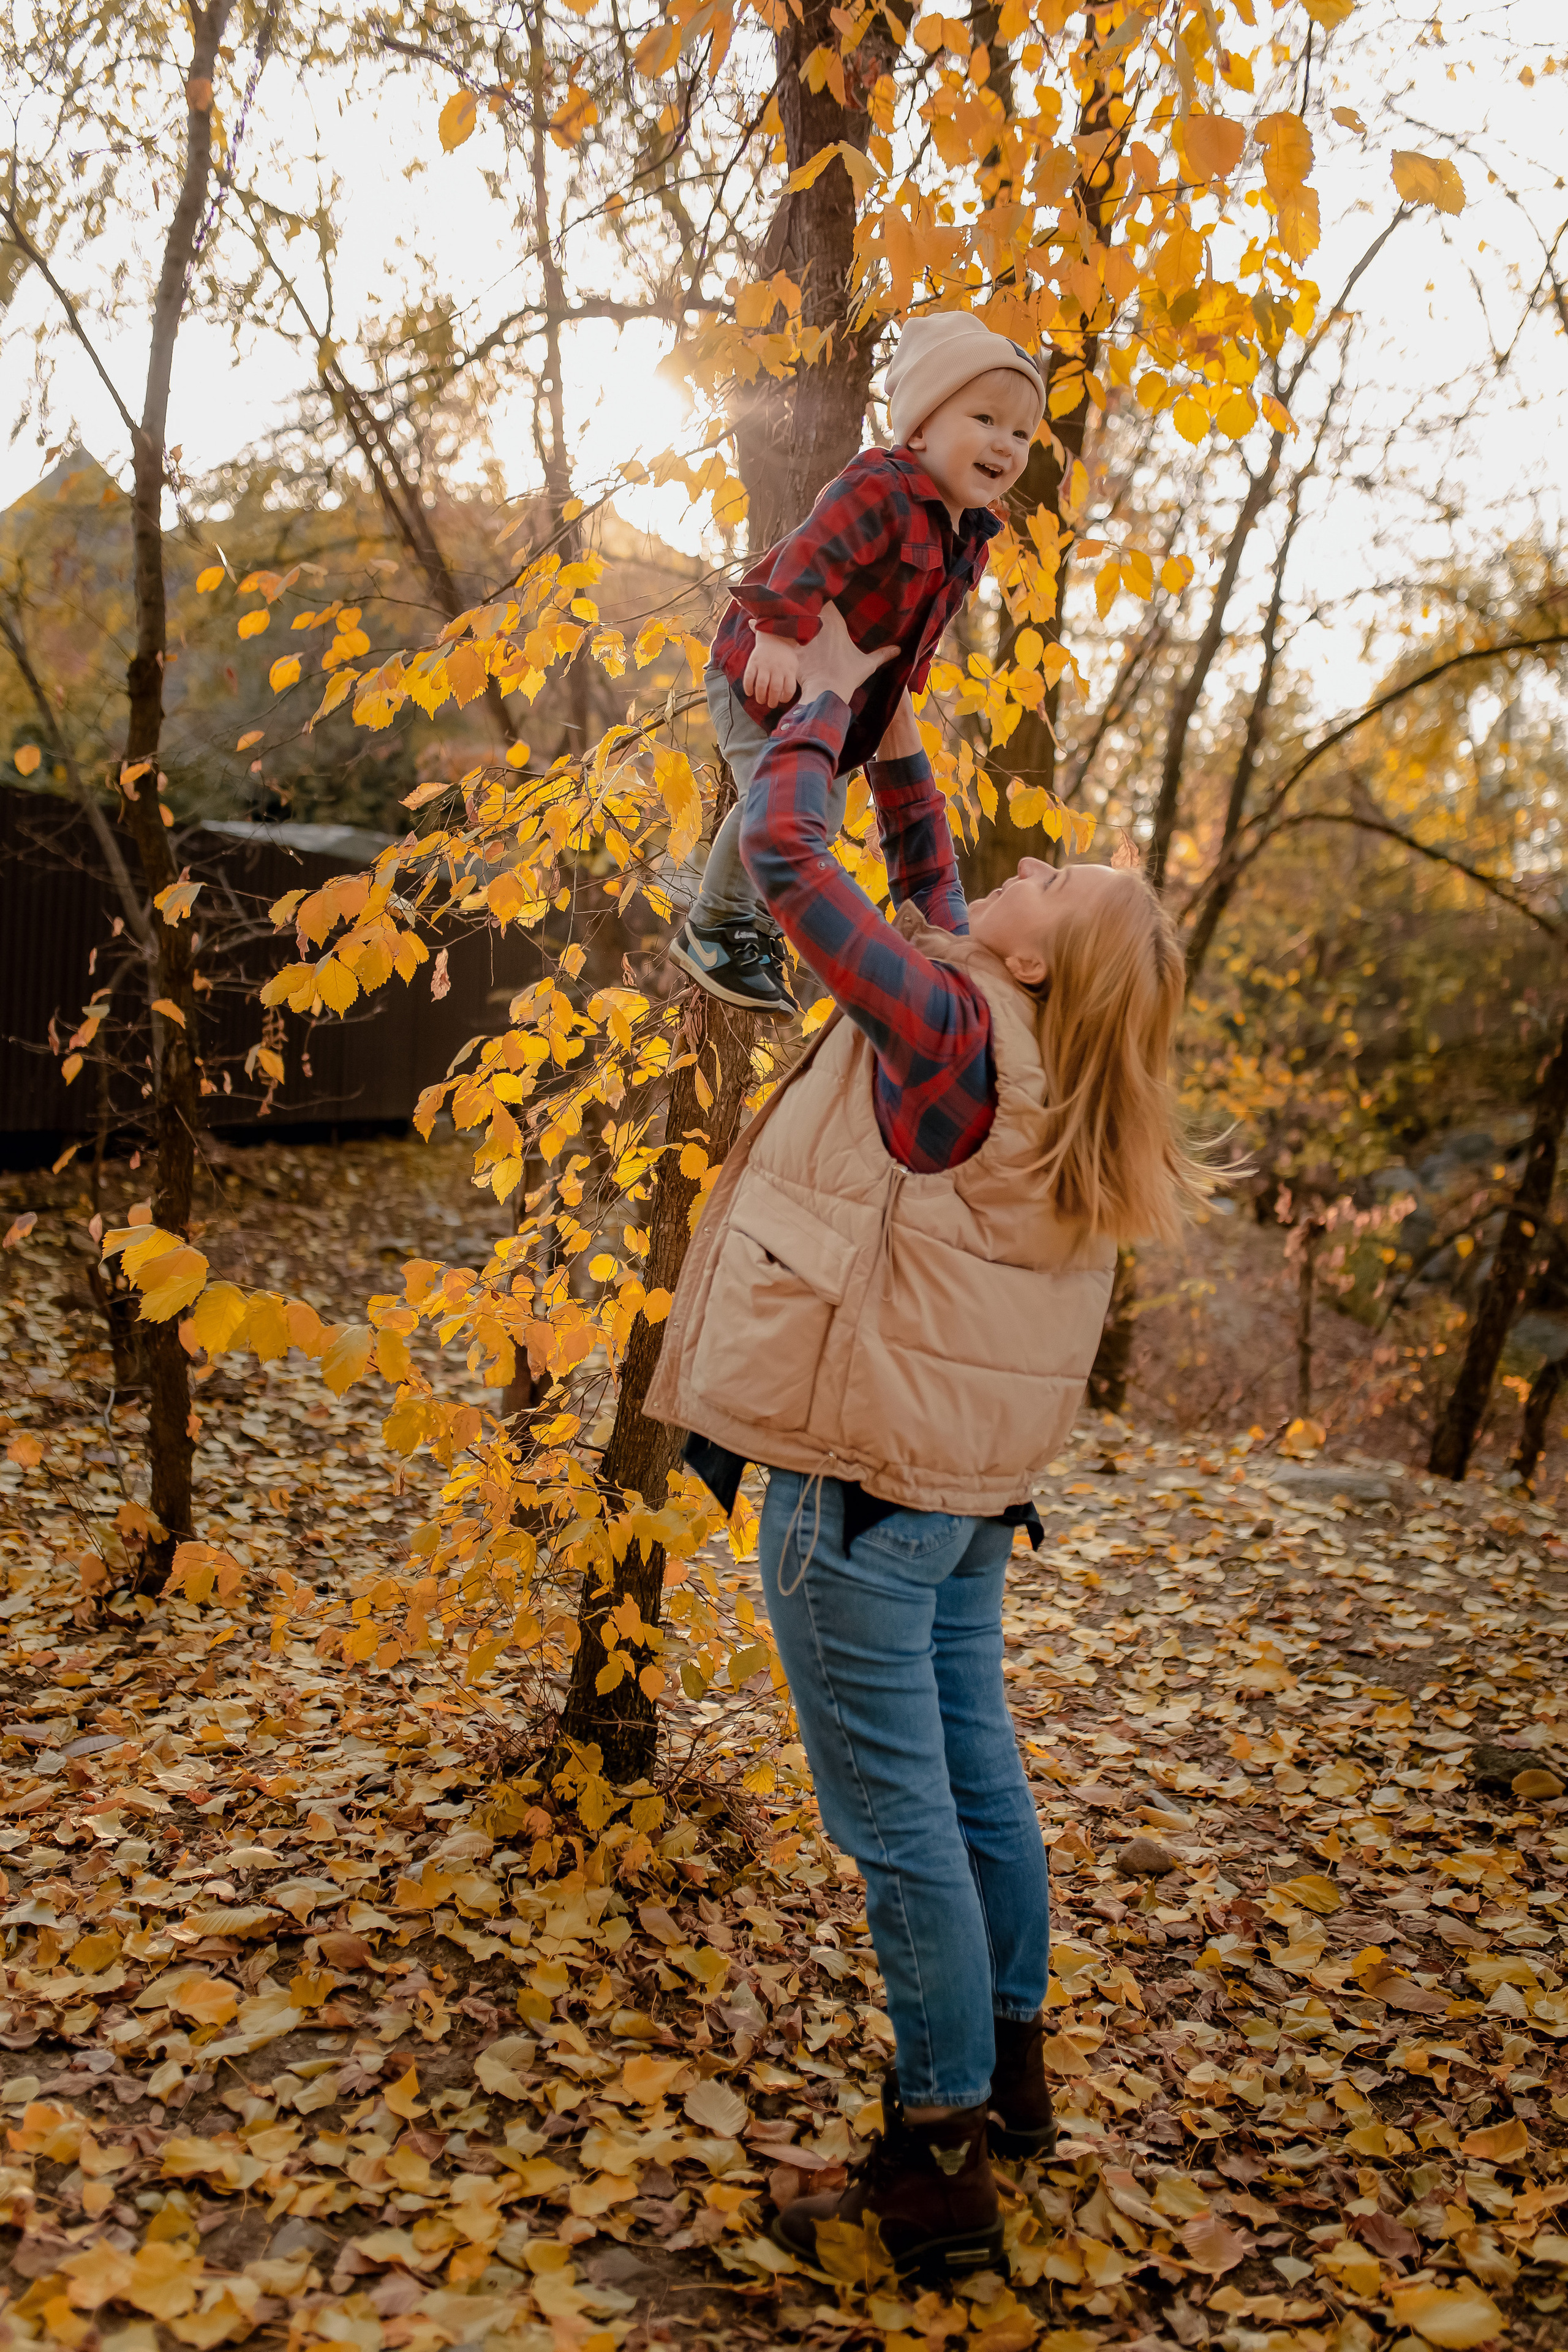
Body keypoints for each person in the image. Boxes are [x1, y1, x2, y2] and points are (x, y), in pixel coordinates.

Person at [647, 604, 1211, 2281]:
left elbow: (803, 885)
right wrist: (896, 743)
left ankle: (937, 2158)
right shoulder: (1036, 1055)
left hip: (864, 1486)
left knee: (904, 1828)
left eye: (1057, 886)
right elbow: (928, 881)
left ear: (1035, 960)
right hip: (960, 1499)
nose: (1024, 877)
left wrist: (807, 722)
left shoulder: (955, 1038)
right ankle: (1012, 2082)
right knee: (978, 1788)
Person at [668, 312, 1046, 1015]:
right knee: (786, 804)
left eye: (1021, 433)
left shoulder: (973, 542)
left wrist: (882, 739)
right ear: (922, 429)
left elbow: (917, 642)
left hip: (838, 710)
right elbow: (811, 553)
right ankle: (716, 926)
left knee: (818, 800)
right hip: (761, 673)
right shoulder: (882, 484)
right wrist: (778, 637)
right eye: (987, 419)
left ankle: (708, 893)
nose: (1006, 444)